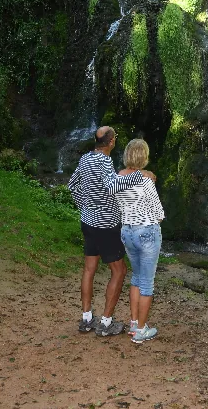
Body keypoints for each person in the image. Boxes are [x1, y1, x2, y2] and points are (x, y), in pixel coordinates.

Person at [68, 126, 156, 337]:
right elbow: (112, 185)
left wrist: (86, 206)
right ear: (111, 142)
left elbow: (72, 185)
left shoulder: (85, 158)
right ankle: (106, 322)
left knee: (89, 269)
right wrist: (139, 176)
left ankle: (87, 318)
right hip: (106, 225)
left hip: (88, 221)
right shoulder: (105, 161)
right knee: (119, 271)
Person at [117, 139, 164, 344]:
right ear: (143, 157)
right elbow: (159, 213)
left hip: (127, 232)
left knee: (136, 278)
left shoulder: (118, 179)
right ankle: (141, 331)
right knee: (147, 283)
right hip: (146, 233)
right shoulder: (145, 182)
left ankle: (135, 323)